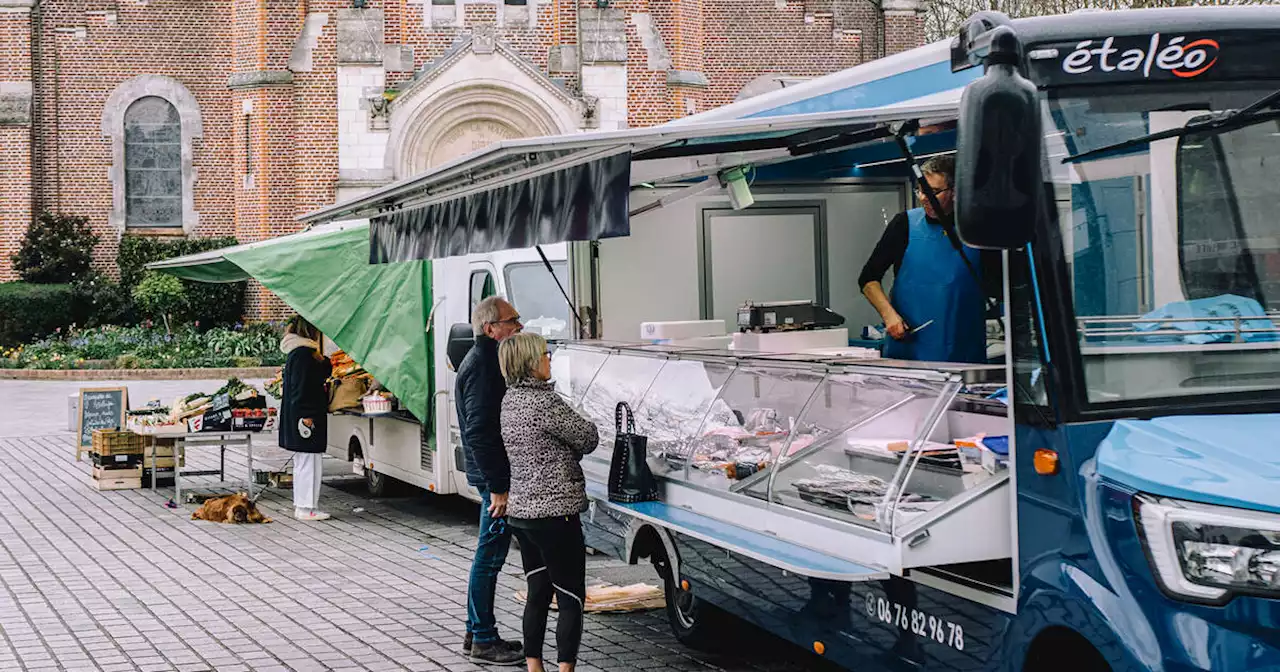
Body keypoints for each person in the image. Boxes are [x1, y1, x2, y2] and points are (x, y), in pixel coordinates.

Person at [498, 332, 599, 672]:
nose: (549, 359)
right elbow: (587, 438)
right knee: (570, 597)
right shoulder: (544, 403)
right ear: (530, 362)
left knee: (538, 591)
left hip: (523, 515)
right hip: (557, 515)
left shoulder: (509, 400)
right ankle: (566, 669)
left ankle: (534, 666)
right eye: (544, 354)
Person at [858, 155, 1001, 364]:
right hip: (907, 350)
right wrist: (889, 315)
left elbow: (1002, 287)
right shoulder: (904, 225)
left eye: (933, 192)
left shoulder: (978, 230)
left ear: (955, 192)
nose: (924, 198)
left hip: (963, 354)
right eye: (921, 190)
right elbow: (868, 279)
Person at [456, 296, 525, 665]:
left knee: (490, 553)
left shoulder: (482, 360)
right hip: (493, 478)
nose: (519, 326)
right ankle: (482, 637)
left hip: (489, 474)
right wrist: (499, 486)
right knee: (490, 555)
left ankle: (477, 631)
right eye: (512, 320)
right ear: (491, 328)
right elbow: (481, 431)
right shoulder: (484, 366)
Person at [278, 315, 333, 521]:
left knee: (304, 461)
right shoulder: (305, 355)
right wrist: (307, 415)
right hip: (307, 416)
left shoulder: (297, 353)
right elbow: (304, 388)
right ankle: (307, 507)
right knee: (310, 461)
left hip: (299, 415)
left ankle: (303, 505)